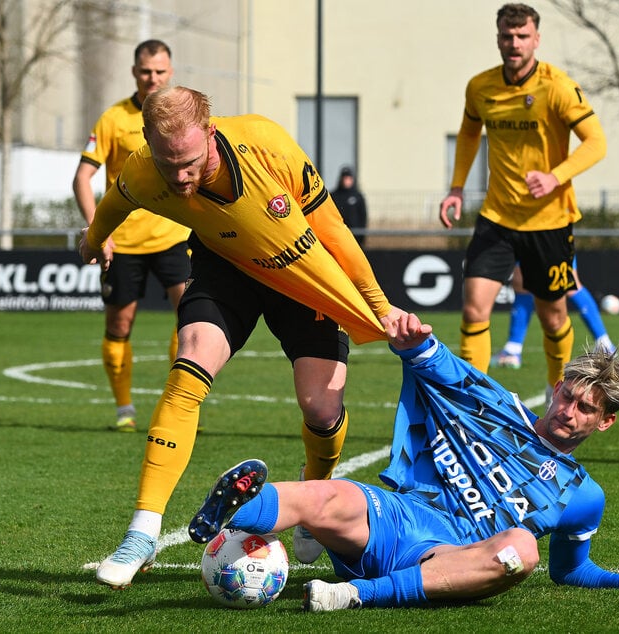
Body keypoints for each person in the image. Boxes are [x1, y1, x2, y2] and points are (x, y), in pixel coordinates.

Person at [79, 85, 407, 587]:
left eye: (189, 161)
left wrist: (380, 307)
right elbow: (114, 203)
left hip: (300, 271)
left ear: (211, 132)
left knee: (321, 408)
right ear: (147, 141)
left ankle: (314, 491)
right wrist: (93, 239)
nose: (180, 176)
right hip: (226, 268)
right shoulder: (146, 169)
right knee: (189, 364)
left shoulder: (267, 144)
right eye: (169, 165)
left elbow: (336, 232)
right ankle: (141, 533)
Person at [188, 312, 619, 611]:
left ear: (605, 423)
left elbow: (569, 570)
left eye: (586, 409)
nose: (569, 412)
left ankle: (358, 594)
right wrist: (414, 340)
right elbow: (445, 367)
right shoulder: (498, 406)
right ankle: (231, 510)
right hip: (404, 517)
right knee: (331, 492)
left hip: (452, 558)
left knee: (521, 550)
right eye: (568, 397)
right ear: (555, 389)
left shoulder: (583, 495)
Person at [438, 3, 607, 406]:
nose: (513, 44)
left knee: (553, 319)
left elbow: (596, 142)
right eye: (506, 36)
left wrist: (555, 176)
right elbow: (467, 133)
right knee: (474, 310)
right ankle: (472, 405)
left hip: (548, 222)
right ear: (498, 38)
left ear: (536, 39)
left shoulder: (558, 87)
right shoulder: (480, 87)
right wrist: (456, 188)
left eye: (522, 36)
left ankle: (556, 393)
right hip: (496, 218)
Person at [72, 39, 192, 433]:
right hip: (124, 243)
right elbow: (83, 178)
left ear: (170, 72)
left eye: (160, 71)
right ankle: (124, 409)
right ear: (134, 72)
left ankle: (183, 408)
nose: (152, 78)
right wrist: (98, 231)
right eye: (146, 71)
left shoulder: (181, 115)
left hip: (175, 237)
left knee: (193, 320)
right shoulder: (113, 119)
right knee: (119, 327)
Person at [491, 259, 614, 370]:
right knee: (521, 282)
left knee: (569, 282)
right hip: (524, 234)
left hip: (551, 235)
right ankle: (513, 349)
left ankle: (605, 345)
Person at [330, 166, 368, 247]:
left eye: (348, 178)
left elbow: (363, 215)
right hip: (338, 236)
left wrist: (362, 235)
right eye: (345, 178)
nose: (346, 181)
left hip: (355, 236)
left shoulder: (358, 196)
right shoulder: (334, 196)